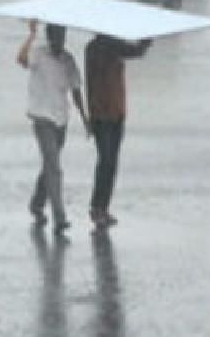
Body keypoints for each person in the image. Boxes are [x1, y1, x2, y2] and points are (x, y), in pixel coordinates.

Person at [17, 21, 88, 235]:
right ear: (50, 36)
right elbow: (21, 60)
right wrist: (30, 35)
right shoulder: (38, 54)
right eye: (56, 35)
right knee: (54, 168)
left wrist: (85, 119)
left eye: (62, 35)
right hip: (42, 117)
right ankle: (60, 217)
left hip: (61, 119)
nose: (60, 40)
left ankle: (37, 203)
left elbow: (76, 91)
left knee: (50, 165)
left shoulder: (68, 60)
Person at [84, 35, 151, 228]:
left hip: (116, 112)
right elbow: (135, 52)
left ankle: (102, 207)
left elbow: (137, 52)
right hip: (102, 115)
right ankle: (98, 207)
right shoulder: (96, 48)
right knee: (106, 161)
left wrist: (145, 41)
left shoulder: (112, 46)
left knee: (110, 163)